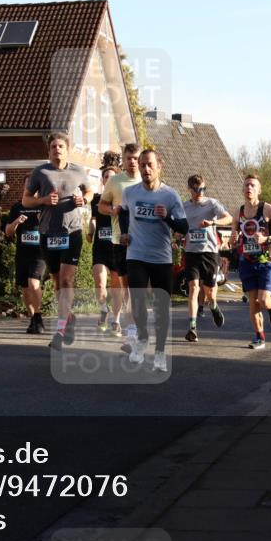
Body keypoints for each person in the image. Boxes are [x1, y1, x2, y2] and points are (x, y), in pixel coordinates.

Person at [118, 150, 188, 370]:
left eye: (149, 165)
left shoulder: (170, 195)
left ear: (159, 166)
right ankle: (142, 338)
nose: (145, 169)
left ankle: (160, 351)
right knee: (137, 299)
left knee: (161, 307)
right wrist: (124, 232)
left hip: (161, 257)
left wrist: (167, 217)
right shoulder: (130, 192)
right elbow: (123, 212)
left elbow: (184, 227)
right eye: (142, 165)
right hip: (136, 254)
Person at [23, 132, 92, 351]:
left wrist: (84, 199)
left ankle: (60, 330)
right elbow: (25, 200)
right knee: (56, 283)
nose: (57, 149)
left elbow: (90, 192)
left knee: (66, 280)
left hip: (72, 232)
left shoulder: (78, 171)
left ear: (67, 149)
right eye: (53, 146)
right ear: (49, 150)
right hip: (48, 233)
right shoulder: (40, 172)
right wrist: (43, 200)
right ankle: (69, 318)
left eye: (60, 146)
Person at [232, 174, 271, 349]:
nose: (249, 188)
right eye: (246, 185)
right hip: (246, 262)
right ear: (242, 189)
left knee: (263, 301)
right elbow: (234, 235)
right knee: (253, 302)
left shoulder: (268, 209)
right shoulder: (238, 212)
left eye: (253, 185)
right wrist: (233, 237)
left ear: (259, 190)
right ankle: (259, 337)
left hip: (265, 261)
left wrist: (267, 239)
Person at [180, 174, 232, 342]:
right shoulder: (184, 207)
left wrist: (212, 223)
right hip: (191, 252)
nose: (200, 192)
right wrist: (176, 237)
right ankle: (192, 328)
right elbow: (180, 227)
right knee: (194, 288)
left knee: (209, 292)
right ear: (190, 189)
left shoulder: (212, 203)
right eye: (197, 189)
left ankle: (214, 305)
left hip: (209, 252)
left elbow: (229, 218)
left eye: (203, 188)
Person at [98, 142, 142, 340]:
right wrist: (112, 210)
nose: (132, 162)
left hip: (142, 242)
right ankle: (128, 323)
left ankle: (132, 331)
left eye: (135, 158)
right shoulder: (115, 181)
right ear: (123, 161)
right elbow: (101, 206)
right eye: (128, 158)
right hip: (120, 241)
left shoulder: (148, 180)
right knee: (125, 288)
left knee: (134, 289)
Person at [3, 172, 46, 334]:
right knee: (25, 288)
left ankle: (39, 316)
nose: (31, 188)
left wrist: (42, 219)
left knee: (33, 283)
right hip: (22, 253)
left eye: (34, 185)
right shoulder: (17, 207)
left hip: (40, 253)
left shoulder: (43, 207)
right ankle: (33, 318)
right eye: (28, 185)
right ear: (24, 186)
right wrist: (16, 222)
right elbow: (7, 232)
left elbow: (52, 229)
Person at [88, 165, 121, 332]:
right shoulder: (96, 199)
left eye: (112, 177)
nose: (109, 179)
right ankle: (103, 309)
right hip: (100, 247)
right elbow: (93, 219)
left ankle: (116, 320)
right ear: (102, 180)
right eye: (106, 176)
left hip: (117, 248)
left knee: (116, 288)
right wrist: (90, 230)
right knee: (100, 282)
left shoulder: (121, 199)